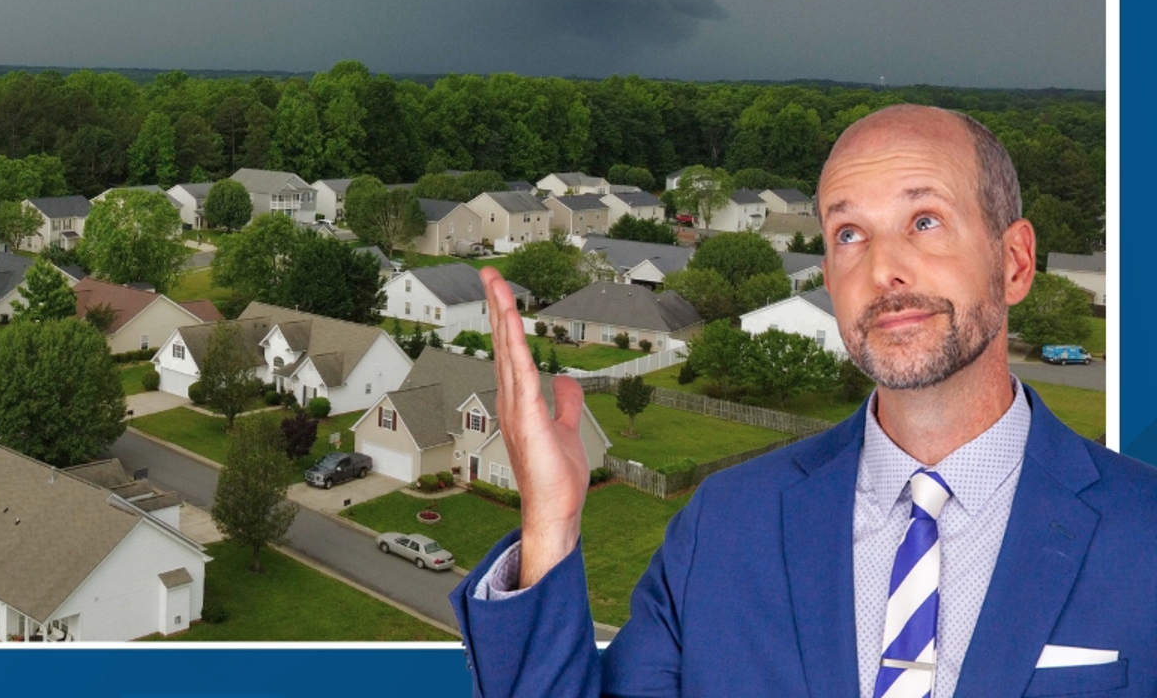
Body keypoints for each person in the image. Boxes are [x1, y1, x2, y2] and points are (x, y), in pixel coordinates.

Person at [452, 105, 1153, 698]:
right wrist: (549, 522)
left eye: (926, 221)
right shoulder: (722, 530)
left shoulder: (1144, 535)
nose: (883, 269)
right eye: (850, 234)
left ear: (1016, 262)